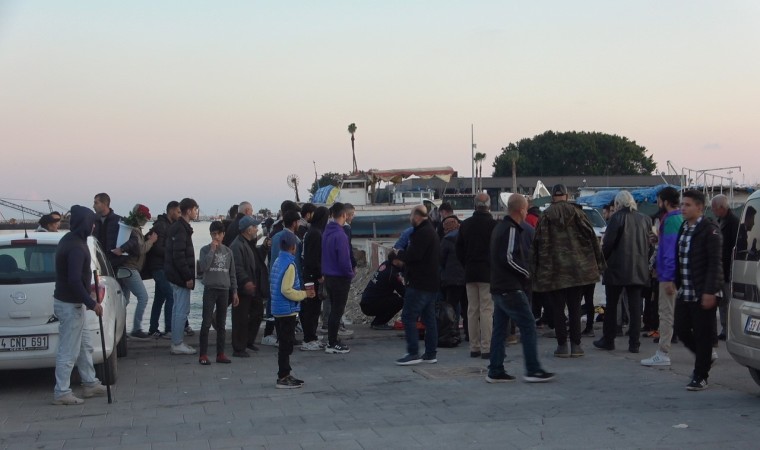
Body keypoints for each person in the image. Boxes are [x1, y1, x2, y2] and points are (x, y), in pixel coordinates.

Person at [487, 195, 555, 383]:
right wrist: (527, 273)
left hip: (498, 286)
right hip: (510, 287)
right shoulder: (511, 229)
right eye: (526, 209)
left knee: (500, 329)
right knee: (528, 325)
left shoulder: (499, 227)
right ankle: (533, 369)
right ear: (520, 210)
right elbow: (508, 258)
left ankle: (495, 369)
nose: (527, 212)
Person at [531, 184, 605, 358]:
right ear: (566, 195)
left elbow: (536, 245)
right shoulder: (578, 213)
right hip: (578, 270)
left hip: (554, 271)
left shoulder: (545, 216)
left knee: (558, 309)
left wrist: (534, 271)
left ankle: (562, 346)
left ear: (553, 197)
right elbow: (592, 238)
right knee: (574, 308)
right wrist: (599, 264)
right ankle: (576, 346)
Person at [52, 205, 107, 405]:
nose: (94, 226)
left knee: (85, 346)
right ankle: (62, 392)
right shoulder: (76, 247)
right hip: (70, 305)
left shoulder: (70, 239)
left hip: (71, 303)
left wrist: (87, 293)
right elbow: (74, 280)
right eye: (92, 223)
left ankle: (90, 383)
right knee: (69, 350)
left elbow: (75, 279)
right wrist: (92, 303)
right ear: (85, 224)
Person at [674, 189, 723, 391]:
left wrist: (710, 291)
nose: (683, 208)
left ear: (700, 207)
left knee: (703, 335)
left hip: (703, 292)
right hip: (685, 291)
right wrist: (673, 280)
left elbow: (715, 263)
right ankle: (705, 356)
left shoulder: (710, 230)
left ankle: (700, 375)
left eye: (687, 205)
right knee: (681, 329)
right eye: (682, 204)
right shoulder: (684, 227)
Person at [593, 191, 652, 353]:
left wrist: (601, 262)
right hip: (638, 268)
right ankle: (634, 343)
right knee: (635, 308)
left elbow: (608, 244)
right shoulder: (645, 219)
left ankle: (608, 339)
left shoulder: (616, 218)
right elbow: (649, 244)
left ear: (618, 204)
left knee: (612, 306)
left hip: (617, 268)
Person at [393, 205, 441, 365]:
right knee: (429, 318)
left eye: (411, 215)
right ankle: (430, 353)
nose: (410, 218)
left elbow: (414, 255)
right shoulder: (431, 231)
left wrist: (399, 253)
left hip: (420, 283)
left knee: (408, 316)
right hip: (431, 282)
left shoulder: (422, 233)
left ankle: (413, 353)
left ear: (417, 217)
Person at [641, 187, 684, 367]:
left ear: (665, 202)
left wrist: (667, 277)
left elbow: (670, 251)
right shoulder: (679, 218)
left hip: (668, 275)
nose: (658, 204)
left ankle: (663, 352)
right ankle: (707, 351)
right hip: (677, 274)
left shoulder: (671, 219)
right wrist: (658, 240)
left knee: (665, 313)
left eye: (659, 200)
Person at [270, 231, 316, 388]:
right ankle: (283, 376)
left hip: (277, 308)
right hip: (286, 310)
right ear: (293, 247)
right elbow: (286, 290)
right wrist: (304, 294)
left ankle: (286, 373)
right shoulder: (290, 265)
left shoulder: (278, 261)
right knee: (286, 345)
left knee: (284, 344)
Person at [456, 192, 496, 359]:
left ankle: (474, 347)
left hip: (470, 271)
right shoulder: (494, 225)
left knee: (472, 310)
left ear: (475, 206)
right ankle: (486, 348)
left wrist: (466, 264)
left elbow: (458, 249)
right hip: (487, 272)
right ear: (489, 206)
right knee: (486, 310)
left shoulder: (465, 225)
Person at [111, 204, 158, 340]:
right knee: (143, 297)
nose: (146, 221)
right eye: (145, 218)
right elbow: (140, 249)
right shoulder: (134, 231)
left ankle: (118, 330)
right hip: (130, 268)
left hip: (124, 269)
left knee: (123, 301)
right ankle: (136, 328)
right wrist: (151, 241)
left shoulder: (130, 229)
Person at [197, 221, 239, 365]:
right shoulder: (204, 250)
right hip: (210, 289)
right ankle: (203, 354)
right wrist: (212, 251)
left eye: (218, 234)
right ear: (210, 234)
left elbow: (232, 273)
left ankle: (220, 354)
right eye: (213, 234)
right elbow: (204, 267)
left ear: (223, 235)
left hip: (224, 290)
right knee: (206, 322)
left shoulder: (228, 252)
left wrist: (235, 291)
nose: (216, 237)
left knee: (221, 324)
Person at [165, 198, 199, 355]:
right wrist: (188, 277)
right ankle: (177, 343)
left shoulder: (178, 227)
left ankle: (176, 341)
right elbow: (179, 255)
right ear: (189, 210)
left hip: (174, 275)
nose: (196, 212)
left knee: (177, 308)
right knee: (181, 310)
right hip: (180, 277)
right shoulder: (181, 229)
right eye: (195, 209)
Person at [321, 202, 354, 354]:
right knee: (337, 311)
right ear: (344, 215)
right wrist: (350, 274)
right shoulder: (340, 235)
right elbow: (344, 259)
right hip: (340, 277)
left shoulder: (326, 232)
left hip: (328, 276)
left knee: (333, 309)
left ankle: (331, 339)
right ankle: (332, 342)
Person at [230, 215, 264, 358]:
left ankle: (248, 341)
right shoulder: (237, 245)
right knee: (240, 318)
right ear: (248, 230)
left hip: (252, 286)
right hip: (243, 288)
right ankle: (238, 347)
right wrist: (245, 281)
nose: (256, 229)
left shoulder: (249, 242)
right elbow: (237, 267)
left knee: (258, 312)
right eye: (254, 227)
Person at [146, 201, 181, 338]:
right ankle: (169, 329)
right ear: (171, 211)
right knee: (171, 295)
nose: (179, 215)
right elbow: (156, 248)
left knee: (159, 299)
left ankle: (153, 328)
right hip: (159, 267)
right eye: (178, 212)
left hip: (163, 266)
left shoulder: (169, 225)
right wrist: (172, 251)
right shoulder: (161, 226)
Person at [711, 194, 739, 340]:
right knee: (722, 301)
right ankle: (725, 328)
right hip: (721, 268)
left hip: (728, 269)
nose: (712, 211)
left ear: (722, 208)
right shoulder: (720, 221)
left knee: (727, 300)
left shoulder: (734, 222)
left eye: (714, 208)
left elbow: (734, 248)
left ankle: (730, 330)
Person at [301, 206, 329, 349]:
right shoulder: (316, 234)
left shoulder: (312, 231)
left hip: (309, 275)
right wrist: (320, 274)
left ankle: (311, 335)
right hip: (313, 277)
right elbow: (313, 258)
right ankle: (309, 339)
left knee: (313, 308)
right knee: (312, 308)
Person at [439, 216, 467, 340]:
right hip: (466, 278)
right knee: (467, 308)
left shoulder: (446, 239)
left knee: (451, 307)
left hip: (451, 279)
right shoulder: (465, 237)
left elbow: (441, 259)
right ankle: (470, 334)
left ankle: (452, 332)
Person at [361, 254, 405, 330]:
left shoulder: (386, 264)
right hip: (371, 305)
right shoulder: (391, 274)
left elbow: (400, 269)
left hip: (367, 302)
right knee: (400, 301)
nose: (404, 263)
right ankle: (378, 323)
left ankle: (378, 321)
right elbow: (403, 292)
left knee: (394, 297)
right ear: (395, 261)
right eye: (402, 261)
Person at [92, 193, 122, 267]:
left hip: (114, 264)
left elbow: (133, 239)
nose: (93, 206)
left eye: (96, 203)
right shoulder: (92, 220)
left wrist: (122, 249)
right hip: (96, 262)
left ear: (104, 204)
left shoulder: (119, 221)